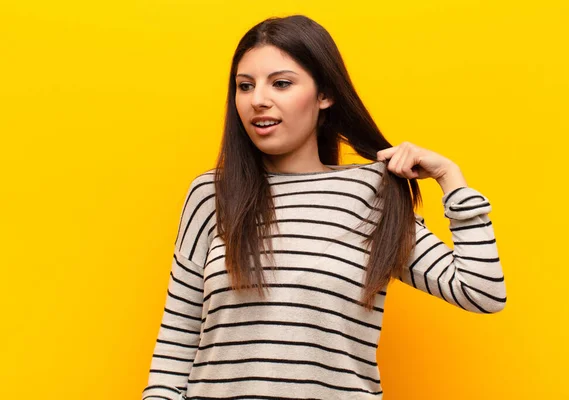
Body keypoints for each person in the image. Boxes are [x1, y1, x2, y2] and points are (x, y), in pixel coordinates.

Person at [141, 14, 507, 400]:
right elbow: (176, 343)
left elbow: (481, 291)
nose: (258, 100)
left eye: (281, 83)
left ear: (325, 94)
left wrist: (451, 178)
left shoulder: (372, 193)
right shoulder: (211, 194)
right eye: (244, 86)